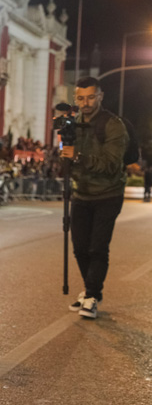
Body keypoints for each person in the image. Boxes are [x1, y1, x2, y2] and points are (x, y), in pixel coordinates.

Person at [60, 78, 129, 319]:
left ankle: (90, 294)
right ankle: (91, 292)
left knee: (97, 247)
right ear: (75, 98)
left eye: (90, 97)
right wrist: (64, 159)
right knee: (79, 247)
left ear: (100, 96)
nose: (85, 102)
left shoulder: (113, 125)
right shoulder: (73, 124)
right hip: (82, 193)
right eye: (80, 98)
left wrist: (79, 157)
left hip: (109, 193)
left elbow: (111, 165)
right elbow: (67, 159)